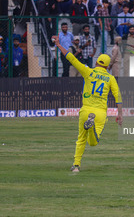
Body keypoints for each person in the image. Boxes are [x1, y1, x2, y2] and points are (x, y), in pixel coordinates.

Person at [53, 36, 123, 173]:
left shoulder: (88, 71)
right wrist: (120, 114)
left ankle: (76, 165)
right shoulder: (110, 78)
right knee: (93, 142)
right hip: (101, 112)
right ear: (107, 66)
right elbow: (118, 96)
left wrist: (59, 45)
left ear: (97, 62)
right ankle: (91, 129)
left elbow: (71, 58)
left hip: (86, 110)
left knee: (81, 139)